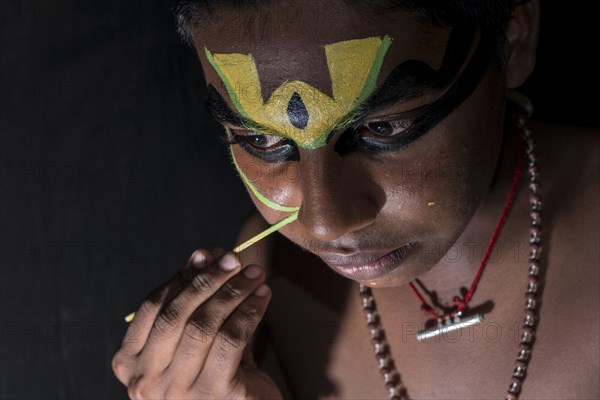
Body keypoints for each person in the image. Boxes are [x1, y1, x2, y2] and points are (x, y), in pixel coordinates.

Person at [112, 0, 599, 398]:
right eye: (260, 140)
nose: (324, 224)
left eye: (382, 127)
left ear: (513, 38)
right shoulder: (264, 293)